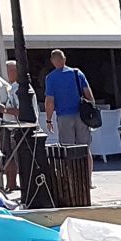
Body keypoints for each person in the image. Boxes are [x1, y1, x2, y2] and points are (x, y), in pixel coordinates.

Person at [40, 49, 94, 182]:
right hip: (81, 115)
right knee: (85, 148)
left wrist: (48, 119)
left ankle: (72, 180)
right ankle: (88, 180)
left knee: (67, 149)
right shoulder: (77, 73)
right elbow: (88, 94)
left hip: (64, 116)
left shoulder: (51, 78)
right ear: (64, 59)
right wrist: (91, 112)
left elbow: (50, 101)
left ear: (52, 61)